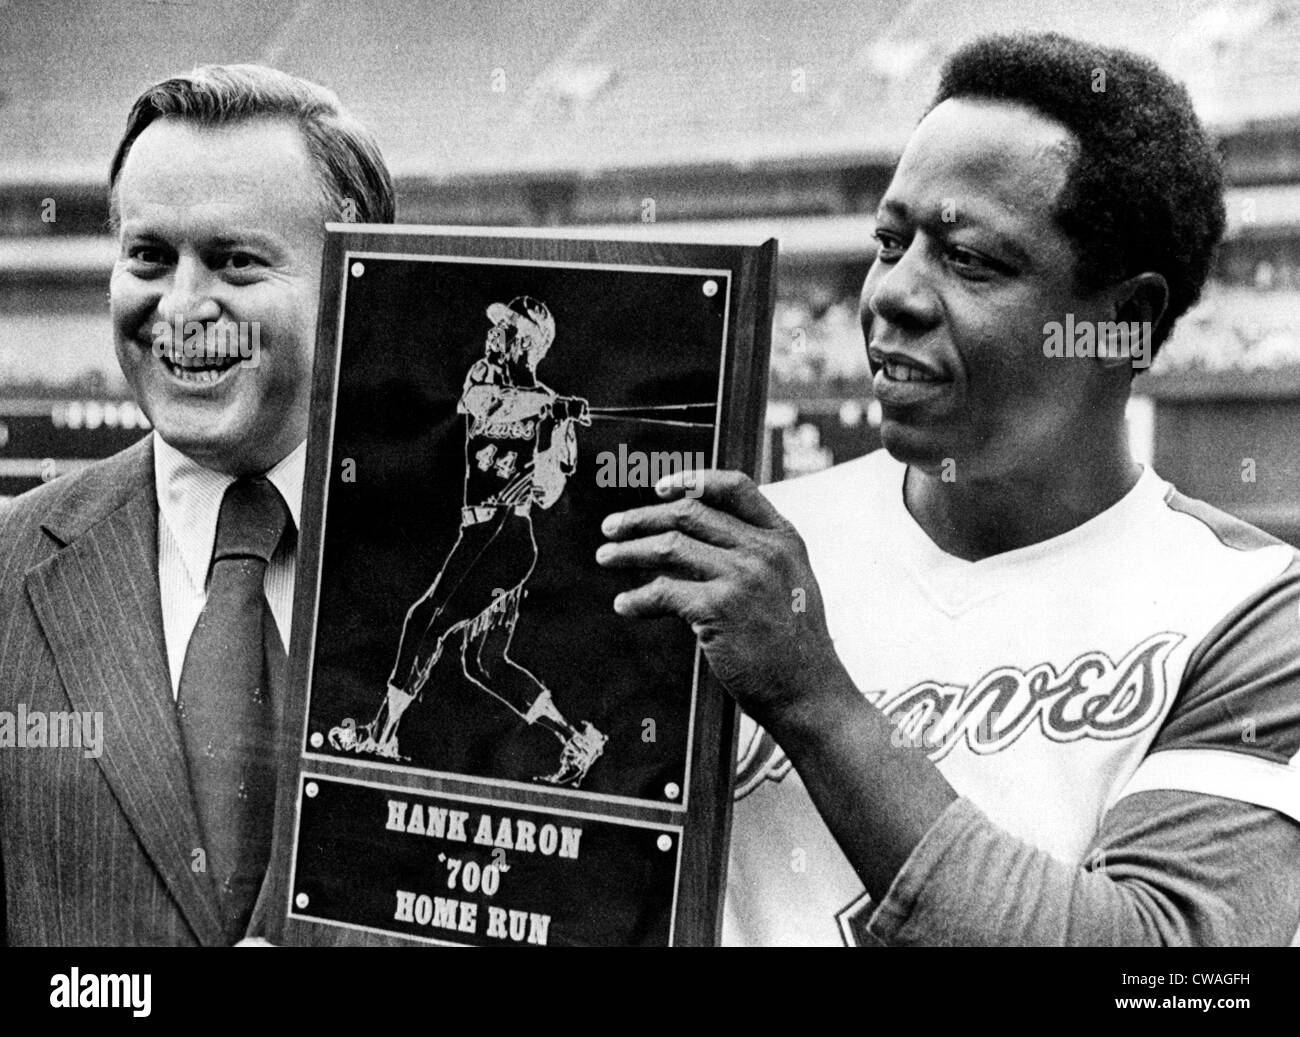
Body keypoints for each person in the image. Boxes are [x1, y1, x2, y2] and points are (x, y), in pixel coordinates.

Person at [597, 32, 1300, 945]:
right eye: (890, 243)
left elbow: (1171, 976)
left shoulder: (1248, 610)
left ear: (1123, 322)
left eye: (969, 260)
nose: (895, 293)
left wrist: (813, 695)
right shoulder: (740, 551)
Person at [0, 64, 395, 945]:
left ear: (355, 283)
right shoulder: (6, 570)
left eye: (234, 261)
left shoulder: (471, 576)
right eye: (148, 257)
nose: (180, 306)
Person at [328, 295, 607, 787]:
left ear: (529, 342)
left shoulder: (549, 408)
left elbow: (548, 491)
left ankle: (382, 734)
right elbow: (483, 404)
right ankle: (577, 740)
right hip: (479, 531)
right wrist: (548, 405)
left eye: (507, 328)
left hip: (505, 536)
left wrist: (554, 429)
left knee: (427, 619)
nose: (494, 333)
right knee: (484, 662)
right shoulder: (485, 376)